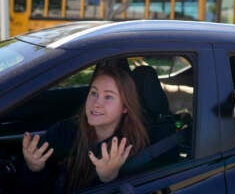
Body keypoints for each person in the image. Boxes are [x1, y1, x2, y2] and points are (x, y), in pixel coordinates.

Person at [19, 65, 149, 193]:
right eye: (93, 93)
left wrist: (108, 178)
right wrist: (34, 169)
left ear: (125, 107)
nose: (96, 103)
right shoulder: (65, 130)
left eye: (108, 96)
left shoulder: (132, 149)